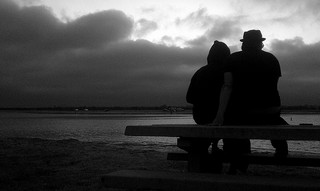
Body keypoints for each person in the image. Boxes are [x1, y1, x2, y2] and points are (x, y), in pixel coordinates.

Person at [213, 30, 288, 174]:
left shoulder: (232, 59)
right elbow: (273, 87)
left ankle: (237, 163)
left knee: (234, 124)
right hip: (270, 110)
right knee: (273, 119)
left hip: (242, 111)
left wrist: (220, 114)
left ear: (244, 44)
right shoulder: (272, 59)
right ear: (260, 43)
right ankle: (279, 143)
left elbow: (227, 86)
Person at [186, 40, 230, 172]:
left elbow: (189, 98)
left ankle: (205, 156)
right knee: (236, 138)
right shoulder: (228, 74)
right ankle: (234, 165)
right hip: (224, 118)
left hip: (201, 117)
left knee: (201, 141)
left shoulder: (200, 72)